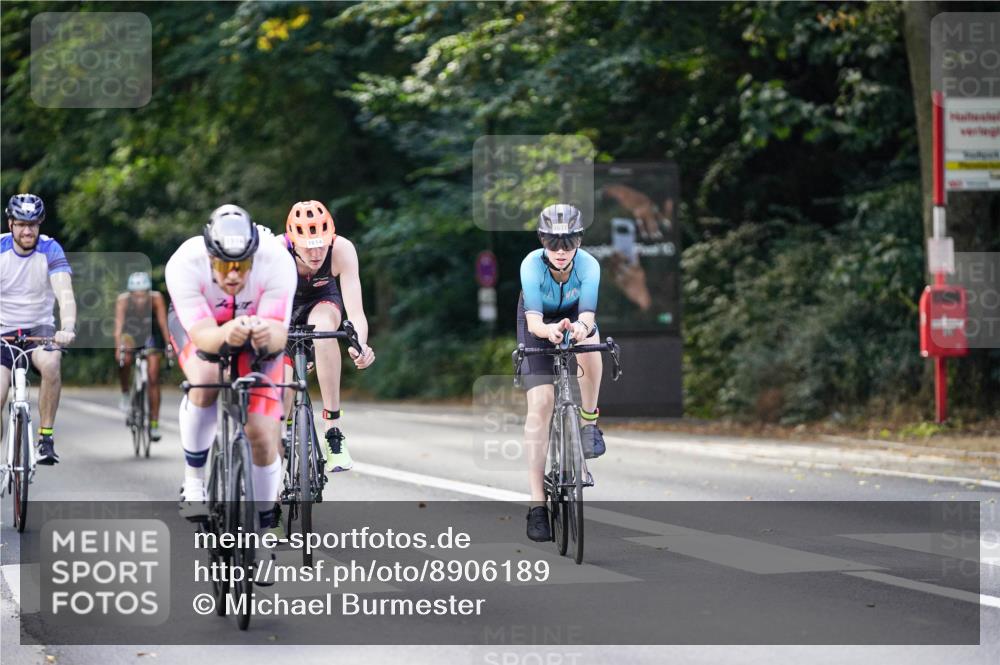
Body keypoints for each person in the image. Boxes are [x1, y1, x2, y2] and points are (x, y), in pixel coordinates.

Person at [165, 204, 296, 535]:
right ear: (210, 257)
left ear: (255, 255)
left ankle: (265, 530)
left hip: (256, 329)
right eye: (225, 265)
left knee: (264, 435)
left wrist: (266, 335)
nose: (234, 274)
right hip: (205, 326)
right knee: (206, 380)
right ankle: (194, 480)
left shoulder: (277, 262)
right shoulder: (184, 263)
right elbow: (204, 337)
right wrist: (226, 333)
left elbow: (279, 335)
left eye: (243, 265)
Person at [517, 203, 605, 542]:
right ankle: (537, 504)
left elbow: (588, 316)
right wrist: (550, 331)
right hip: (537, 324)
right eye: (553, 242)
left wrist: (581, 328)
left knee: (594, 343)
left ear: (579, 240)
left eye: (569, 241)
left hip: (575, 319)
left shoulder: (589, 265)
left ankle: (588, 422)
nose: (561, 250)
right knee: (541, 404)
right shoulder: (531, 265)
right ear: (542, 240)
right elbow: (535, 322)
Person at [279, 200, 375, 472]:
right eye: (308, 246)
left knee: (322, 327)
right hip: (284, 310)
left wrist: (360, 344)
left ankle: (333, 431)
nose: (317, 252)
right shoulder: (276, 252)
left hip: (323, 302)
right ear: (292, 241)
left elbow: (356, 313)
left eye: (322, 244)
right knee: (284, 396)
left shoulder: (342, 249)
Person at [0, 194, 76, 465]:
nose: (27, 230)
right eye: (21, 224)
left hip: (39, 330)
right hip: (2, 332)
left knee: (52, 362)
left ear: (40, 224)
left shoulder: (50, 249)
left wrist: (67, 327)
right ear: (10, 224)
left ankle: (45, 438)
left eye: (33, 224)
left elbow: (64, 293)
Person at [114, 271, 172, 440]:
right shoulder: (123, 301)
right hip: (130, 334)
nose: (140, 300)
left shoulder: (156, 299)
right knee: (125, 360)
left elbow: (163, 323)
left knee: (153, 376)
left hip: (149, 334)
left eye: (143, 295)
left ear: (148, 292)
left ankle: (154, 424)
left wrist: (169, 345)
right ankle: (125, 393)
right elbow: (118, 327)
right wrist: (118, 348)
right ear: (130, 294)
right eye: (136, 296)